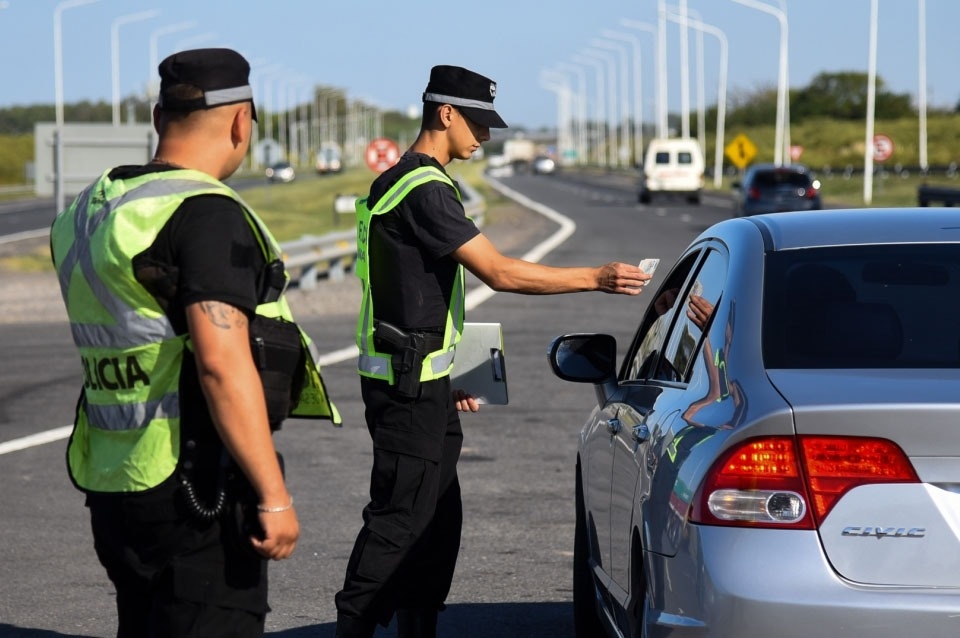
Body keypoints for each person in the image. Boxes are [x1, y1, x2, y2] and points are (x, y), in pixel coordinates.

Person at [335, 64, 650, 638]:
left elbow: (409, 293)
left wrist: (443, 375)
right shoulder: (424, 188)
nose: (484, 136)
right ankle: (352, 626)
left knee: (435, 522)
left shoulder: (404, 181)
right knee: (399, 522)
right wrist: (596, 278)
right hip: (407, 387)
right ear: (445, 114)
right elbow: (500, 273)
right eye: (477, 123)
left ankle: (416, 629)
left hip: (419, 379)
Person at [49, 48, 339, 638]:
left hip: (113, 478)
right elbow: (220, 364)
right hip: (195, 484)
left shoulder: (88, 212)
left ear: (160, 118)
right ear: (241, 121)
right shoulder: (204, 212)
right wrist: (274, 494)